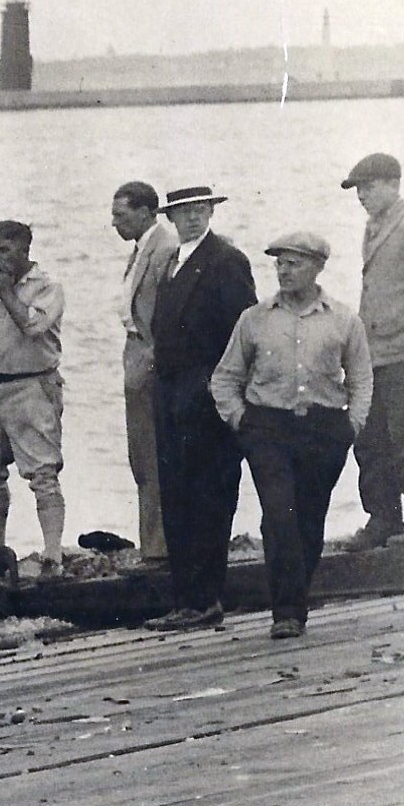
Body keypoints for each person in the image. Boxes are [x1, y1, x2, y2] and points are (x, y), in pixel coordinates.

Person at [212, 233, 371, 641]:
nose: (283, 271)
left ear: (317, 267)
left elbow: (361, 378)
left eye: (293, 264)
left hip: (323, 429)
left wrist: (350, 427)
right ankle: (287, 612)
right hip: (267, 428)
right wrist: (240, 422)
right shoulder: (255, 318)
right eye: (279, 264)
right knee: (278, 514)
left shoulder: (343, 320)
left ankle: (294, 597)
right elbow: (225, 377)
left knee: (310, 519)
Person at [147, 183, 258, 630]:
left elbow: (243, 333)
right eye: (184, 211)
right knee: (176, 493)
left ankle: (206, 598)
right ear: (170, 218)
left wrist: (220, 389)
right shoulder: (171, 261)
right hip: (172, 395)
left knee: (208, 494)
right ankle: (186, 598)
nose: (194, 217)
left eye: (202, 209)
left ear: (211, 211)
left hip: (207, 394)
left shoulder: (226, 261)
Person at [342, 152, 404, 548]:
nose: (362, 195)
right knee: (370, 437)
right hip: (376, 354)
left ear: (394, 185)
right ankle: (383, 518)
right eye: (358, 189)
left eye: (370, 186)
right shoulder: (375, 228)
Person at [0, 218, 67, 570]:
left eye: (7, 249)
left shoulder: (47, 286)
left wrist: (6, 292)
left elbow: (32, 326)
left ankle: (53, 553)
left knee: (42, 471)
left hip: (33, 385)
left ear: (25, 249)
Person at [112, 179, 177, 564]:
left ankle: (159, 548)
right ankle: (153, 543)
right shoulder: (142, 250)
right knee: (142, 456)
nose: (115, 223)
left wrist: (153, 360)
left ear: (145, 212)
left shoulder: (164, 249)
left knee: (152, 456)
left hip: (150, 362)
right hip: (136, 358)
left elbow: (166, 315)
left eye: (121, 215)